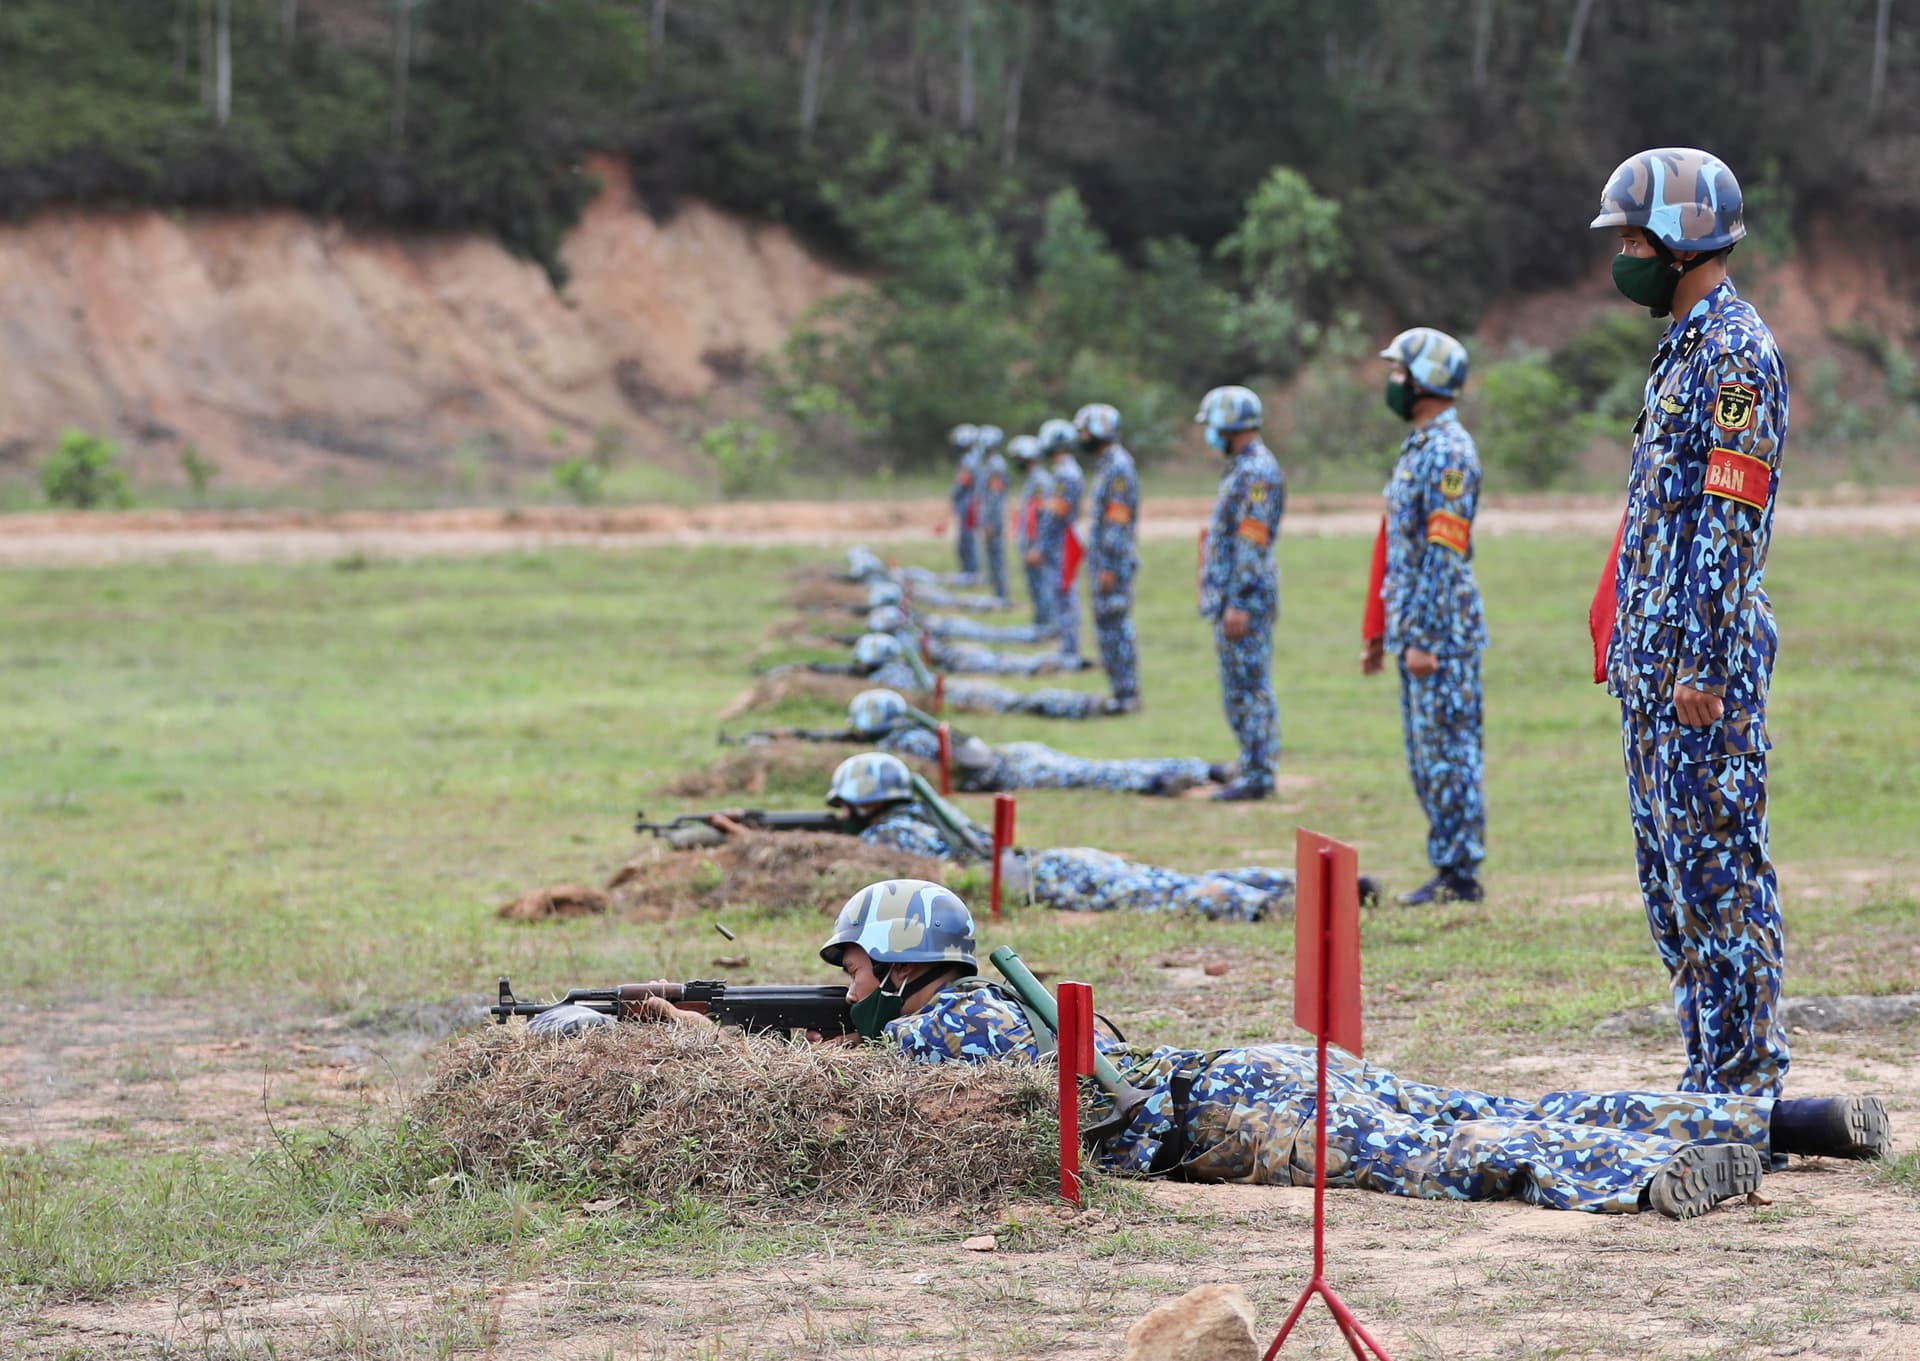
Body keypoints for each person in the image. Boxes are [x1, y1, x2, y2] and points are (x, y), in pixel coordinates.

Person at [637, 880, 1890, 1217]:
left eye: (851, 965)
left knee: (1450, 1158)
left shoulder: (940, 1029)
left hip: (1227, 1119)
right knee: (1472, 1102)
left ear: (900, 965)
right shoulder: (986, 1006)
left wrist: (719, 1051)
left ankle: (1640, 1180)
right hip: (1232, 1069)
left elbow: (860, 1107)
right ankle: (1774, 1122)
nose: (842, 988)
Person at [1589, 148, 1791, 1099]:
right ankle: (1705, 1071)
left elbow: (1729, 522)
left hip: (1699, 675)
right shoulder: (1680, 347)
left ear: (1683, 241)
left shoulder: (1737, 353)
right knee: (1672, 891)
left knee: (1720, 880)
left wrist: (1703, 667)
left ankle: (1745, 1086)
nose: (1622, 254)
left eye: (1634, 237)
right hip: (1653, 667)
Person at [1363, 328, 1489, 906]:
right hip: (1415, 629)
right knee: (1425, 757)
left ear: (1425, 379)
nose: (1392, 383)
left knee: (1448, 755)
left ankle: (1460, 876)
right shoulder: (1420, 445)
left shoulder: (1448, 453)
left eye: (1399, 372)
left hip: (1440, 635)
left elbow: (1443, 553)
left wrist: (1425, 638)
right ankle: (1447, 868)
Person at [752, 688, 1225, 796]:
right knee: (1098, 767)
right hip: (1012, 760)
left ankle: (1187, 772)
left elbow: (975, 760)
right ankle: (1193, 769)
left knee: (1097, 770)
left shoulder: (918, 736)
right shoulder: (908, 733)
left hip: (1016, 766)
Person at [1195, 385, 1283, 801]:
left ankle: (1259, 774)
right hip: (1231, 596)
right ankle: (1250, 760)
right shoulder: (1242, 468)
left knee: (1250, 686)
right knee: (1237, 686)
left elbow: (1252, 542)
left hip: (1243, 601)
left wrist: (1239, 602)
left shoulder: (1256, 473)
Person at [1077, 403, 1142, 712]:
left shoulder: (1118, 467)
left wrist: (1109, 566)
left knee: (1116, 625)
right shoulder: (1107, 464)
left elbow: (1118, 520)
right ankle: (1119, 692)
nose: (1082, 436)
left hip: (1111, 564)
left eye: (1086, 430)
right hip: (1105, 562)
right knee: (1106, 627)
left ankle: (1127, 695)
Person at [1035, 418, 1085, 665]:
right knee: (1060, 590)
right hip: (1060, 539)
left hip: (1060, 540)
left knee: (1063, 591)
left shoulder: (1065, 474)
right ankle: (1067, 645)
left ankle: (1070, 648)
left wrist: (1042, 545)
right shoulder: (1064, 472)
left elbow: (1056, 514)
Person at [1010, 435, 1055, 630]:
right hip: (1030, 542)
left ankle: (1046, 625)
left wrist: (1036, 546)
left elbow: (1041, 516)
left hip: (1035, 543)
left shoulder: (1039, 482)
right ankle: (1041, 622)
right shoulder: (1034, 480)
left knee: (1041, 584)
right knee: (1035, 584)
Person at [975, 425, 1011, 604]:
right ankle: (997, 592)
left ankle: (1001, 594)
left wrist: (990, 522)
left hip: (993, 520)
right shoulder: (990, 464)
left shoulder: (996, 465)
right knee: (992, 556)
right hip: (990, 518)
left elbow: (995, 497)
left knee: (997, 556)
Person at [946, 423, 982, 579]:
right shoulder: (974, 458)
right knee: (966, 538)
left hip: (969, 504)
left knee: (967, 539)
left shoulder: (969, 460)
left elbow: (963, 481)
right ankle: (968, 569)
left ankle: (970, 571)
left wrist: (952, 494)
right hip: (969, 503)